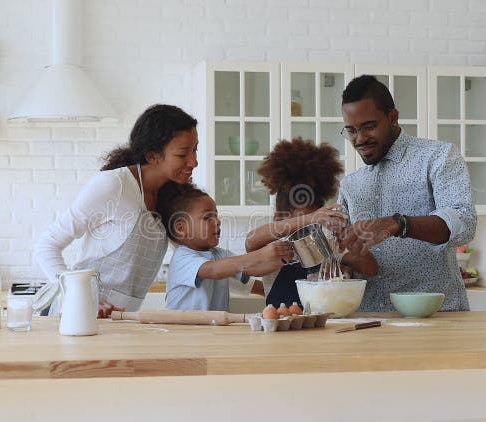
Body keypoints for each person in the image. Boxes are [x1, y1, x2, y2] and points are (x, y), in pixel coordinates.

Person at [34, 104, 198, 317]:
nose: (193, 162)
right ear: (152, 156)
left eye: (195, 150)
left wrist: (251, 281)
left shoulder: (171, 195)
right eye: (183, 154)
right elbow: (47, 244)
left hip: (121, 320)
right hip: (76, 314)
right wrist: (79, 295)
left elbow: (197, 255)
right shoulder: (114, 185)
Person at [336, 75, 477, 312]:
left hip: (435, 318)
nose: (359, 139)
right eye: (351, 130)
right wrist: (344, 267)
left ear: (393, 117)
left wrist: (398, 224)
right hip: (369, 321)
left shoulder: (438, 157)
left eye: (369, 127)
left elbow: (464, 223)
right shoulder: (351, 184)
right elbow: (346, 251)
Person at [244, 138, 379, 307]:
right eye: (301, 223)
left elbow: (372, 268)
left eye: (314, 224)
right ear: (279, 219)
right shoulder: (274, 250)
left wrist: (345, 238)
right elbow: (251, 241)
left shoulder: (328, 244)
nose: (309, 228)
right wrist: (311, 218)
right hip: (283, 329)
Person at [157, 183, 293, 311]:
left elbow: (254, 268)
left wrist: (281, 258)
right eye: (207, 217)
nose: (217, 221)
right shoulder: (182, 257)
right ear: (181, 228)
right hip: (181, 332)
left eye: (216, 215)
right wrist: (261, 255)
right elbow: (213, 270)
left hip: (210, 330)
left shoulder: (219, 255)